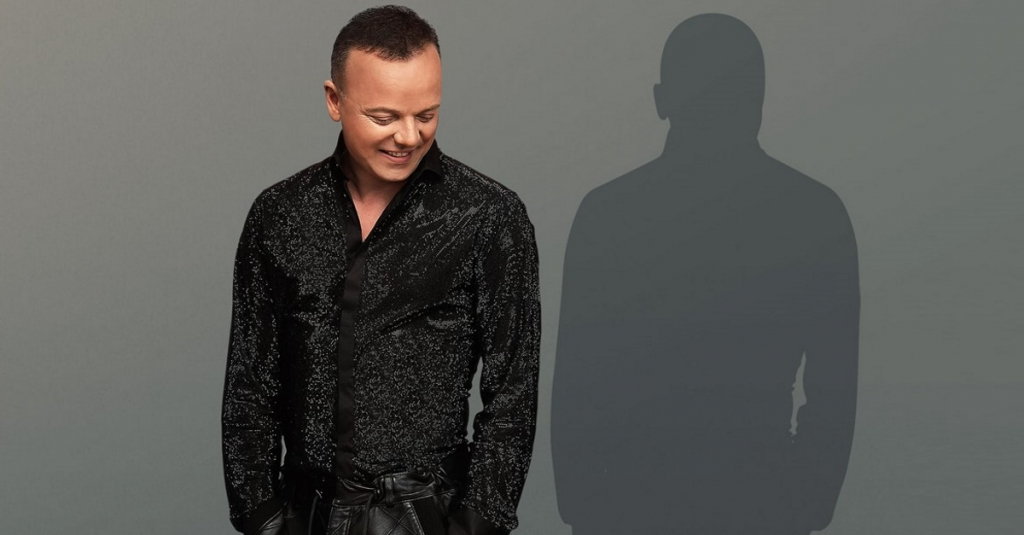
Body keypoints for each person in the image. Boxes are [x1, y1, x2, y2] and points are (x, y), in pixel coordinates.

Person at [221, 6, 540, 535]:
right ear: (334, 100)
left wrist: (475, 525)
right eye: (384, 117)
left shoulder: (488, 216)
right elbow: (249, 387)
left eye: (427, 114)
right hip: (304, 515)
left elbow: (514, 395)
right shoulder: (280, 214)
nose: (409, 137)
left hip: (429, 514)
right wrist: (263, 518)